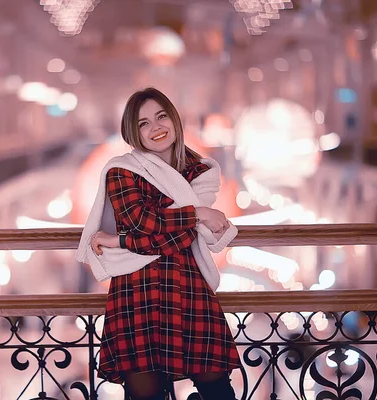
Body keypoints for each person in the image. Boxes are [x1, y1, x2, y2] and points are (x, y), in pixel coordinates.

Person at [76, 87, 241, 400]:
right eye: (143, 123)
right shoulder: (121, 169)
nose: (156, 127)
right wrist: (198, 213)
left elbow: (177, 234)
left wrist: (120, 240)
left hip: (188, 286)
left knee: (217, 386)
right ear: (133, 132)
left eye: (161, 116)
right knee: (144, 393)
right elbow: (143, 223)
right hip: (138, 292)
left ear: (174, 119)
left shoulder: (201, 171)